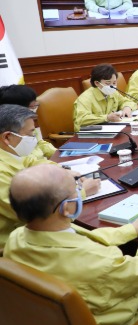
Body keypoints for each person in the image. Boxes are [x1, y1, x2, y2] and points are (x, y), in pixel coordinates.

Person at [4, 164, 138, 325]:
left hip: (51, 321)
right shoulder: (100, 261)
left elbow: (81, 238)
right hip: (117, 323)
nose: (80, 191)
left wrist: (130, 229)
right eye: (76, 189)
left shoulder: (16, 237)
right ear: (67, 208)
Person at [0, 105, 100, 248]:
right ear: (7, 137)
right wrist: (81, 192)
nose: (34, 139)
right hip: (20, 244)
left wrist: (63, 172)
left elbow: (33, 161)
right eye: (30, 134)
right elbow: (33, 216)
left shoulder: (10, 152)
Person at [73, 64, 137, 131]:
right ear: (97, 83)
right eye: (108, 83)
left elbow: (128, 101)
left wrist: (127, 107)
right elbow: (81, 120)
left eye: (114, 83)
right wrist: (107, 117)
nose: (112, 86)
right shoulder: (85, 98)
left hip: (108, 129)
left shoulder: (113, 93)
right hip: (88, 133)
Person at [0, 84, 55, 160]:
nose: (34, 110)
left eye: (36, 105)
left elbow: (39, 142)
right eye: (32, 107)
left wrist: (58, 153)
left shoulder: (27, 123)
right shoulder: (11, 133)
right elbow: (27, 161)